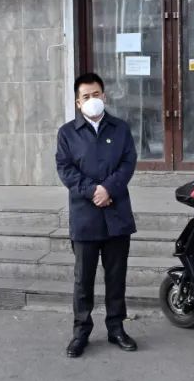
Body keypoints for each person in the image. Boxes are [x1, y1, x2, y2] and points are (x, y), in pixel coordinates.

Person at [55, 72, 138, 358]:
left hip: (117, 214)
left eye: (96, 94)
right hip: (85, 216)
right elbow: (65, 170)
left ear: (105, 96)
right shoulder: (67, 133)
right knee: (83, 279)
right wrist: (92, 191)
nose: (92, 100)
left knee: (117, 277)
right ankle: (81, 332)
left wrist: (109, 189)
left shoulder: (120, 129)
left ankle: (116, 328)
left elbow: (128, 163)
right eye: (86, 97)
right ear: (78, 103)